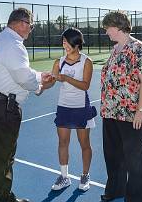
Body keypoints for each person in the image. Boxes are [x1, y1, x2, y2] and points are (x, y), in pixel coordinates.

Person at [0, 8, 53, 202]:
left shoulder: (5, 41)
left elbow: (19, 71)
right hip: (0, 107)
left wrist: (38, 76)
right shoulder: (12, 43)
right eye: (31, 25)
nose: (31, 30)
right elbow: (22, 77)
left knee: (2, 157)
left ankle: (3, 197)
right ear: (22, 23)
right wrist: (40, 84)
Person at [100, 11, 142, 202]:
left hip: (132, 114)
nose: (106, 32)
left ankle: (137, 199)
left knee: (134, 161)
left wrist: (140, 112)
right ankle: (116, 190)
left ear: (117, 27)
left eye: (107, 28)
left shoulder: (137, 48)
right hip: (111, 112)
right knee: (113, 156)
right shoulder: (115, 50)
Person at [40, 28, 97, 192]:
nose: (64, 44)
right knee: (63, 142)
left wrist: (66, 78)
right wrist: (41, 86)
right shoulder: (59, 62)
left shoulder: (87, 62)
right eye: (63, 41)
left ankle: (85, 175)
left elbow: (85, 85)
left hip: (81, 107)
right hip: (63, 106)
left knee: (84, 144)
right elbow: (52, 81)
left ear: (77, 43)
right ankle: (64, 177)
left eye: (67, 41)